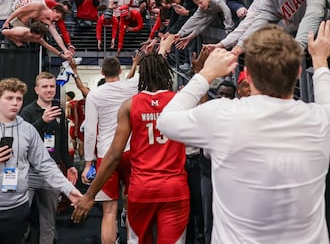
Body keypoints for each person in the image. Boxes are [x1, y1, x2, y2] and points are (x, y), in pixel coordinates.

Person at [157, 22, 330, 243]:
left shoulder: (222, 115)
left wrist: (205, 75)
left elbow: (166, 120)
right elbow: (326, 98)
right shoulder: (320, 121)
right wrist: (320, 61)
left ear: (246, 74)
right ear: (298, 72)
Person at [71, 53, 190, 244]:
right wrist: (199, 72)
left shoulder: (129, 105)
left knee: (111, 214)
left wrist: (89, 192)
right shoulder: (179, 101)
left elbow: (112, 154)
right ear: (167, 73)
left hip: (139, 182)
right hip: (173, 187)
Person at [0, 77, 81, 244]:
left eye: (19, 99)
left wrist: (68, 189)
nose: (15, 103)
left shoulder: (28, 130)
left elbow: (45, 164)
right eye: (9, 98)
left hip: (18, 206)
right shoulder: (31, 116)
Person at [81, 56, 140, 244]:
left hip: (106, 154)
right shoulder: (131, 86)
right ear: (120, 71)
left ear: (102, 73)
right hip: (131, 151)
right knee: (131, 207)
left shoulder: (94, 95)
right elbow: (150, 68)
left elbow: (90, 131)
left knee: (109, 211)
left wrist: (88, 163)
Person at [20, 72, 78, 244]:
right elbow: (23, 140)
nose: (49, 90)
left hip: (51, 173)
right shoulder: (27, 112)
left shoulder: (59, 113)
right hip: (28, 172)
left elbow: (61, 144)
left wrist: (69, 166)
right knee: (20, 220)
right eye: (44, 86)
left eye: (52, 86)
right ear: (37, 89)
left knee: (49, 222)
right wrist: (43, 121)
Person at [2, 1, 72, 58]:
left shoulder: (48, 21)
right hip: (16, 22)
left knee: (38, 40)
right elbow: (20, 10)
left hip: (26, 27)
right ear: (54, 11)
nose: (56, 20)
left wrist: (65, 50)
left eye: (58, 19)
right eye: (57, 17)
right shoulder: (39, 6)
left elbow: (56, 35)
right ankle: (16, 42)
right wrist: (7, 22)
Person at [1, 23, 71, 59]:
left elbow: (48, 47)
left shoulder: (38, 39)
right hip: (9, 38)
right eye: (40, 35)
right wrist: (16, 41)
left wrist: (62, 55)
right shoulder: (21, 32)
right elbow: (3, 31)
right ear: (34, 33)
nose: (41, 37)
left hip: (19, 43)